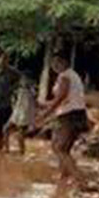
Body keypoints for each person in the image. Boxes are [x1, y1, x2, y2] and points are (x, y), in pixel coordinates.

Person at [37, 54, 89, 183]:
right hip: (75, 113)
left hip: (69, 115)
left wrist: (45, 114)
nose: (55, 65)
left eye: (58, 62)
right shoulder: (72, 75)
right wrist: (48, 105)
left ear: (65, 62)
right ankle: (64, 175)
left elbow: (61, 98)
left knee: (60, 148)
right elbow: (65, 98)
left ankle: (80, 179)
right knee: (60, 146)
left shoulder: (65, 76)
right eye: (53, 62)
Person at [5, 74, 37, 155]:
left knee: (20, 135)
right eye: (22, 79)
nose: (23, 81)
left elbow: (32, 103)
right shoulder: (20, 89)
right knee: (6, 129)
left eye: (25, 79)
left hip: (24, 114)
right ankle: (7, 149)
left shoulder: (30, 90)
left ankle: (21, 153)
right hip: (17, 113)